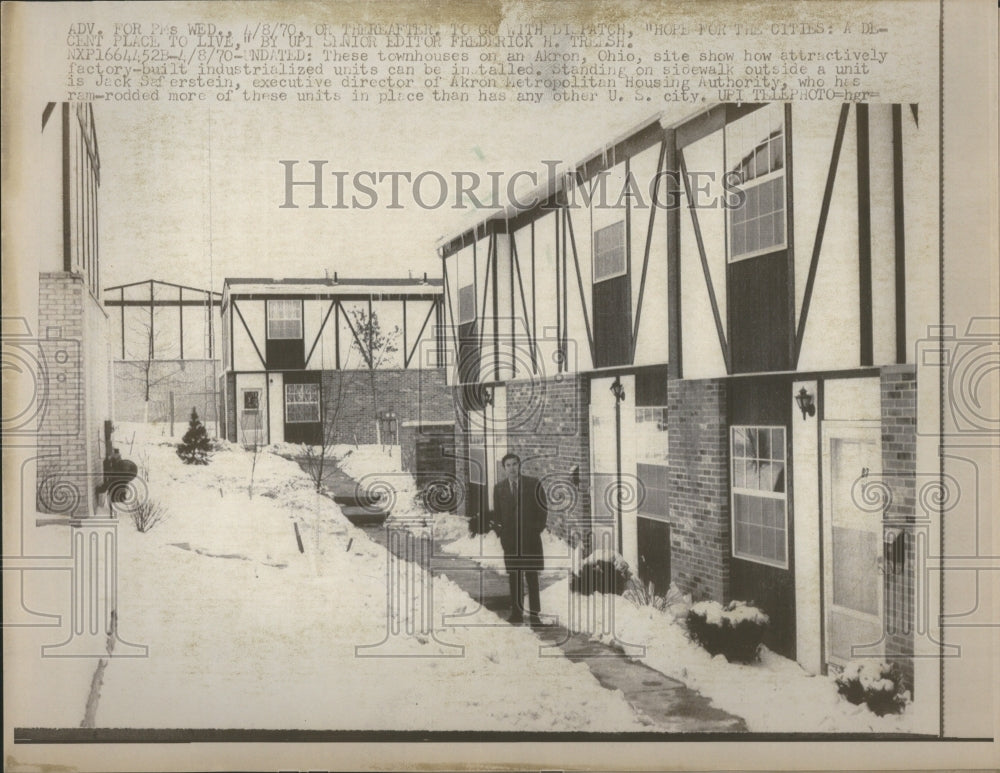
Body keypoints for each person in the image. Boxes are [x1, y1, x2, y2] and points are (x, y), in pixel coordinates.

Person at [490, 452, 548, 626]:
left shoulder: (532, 484)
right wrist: (501, 533)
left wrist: (537, 528)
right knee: (514, 577)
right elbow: (497, 515)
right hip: (511, 541)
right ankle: (516, 613)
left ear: (519, 465)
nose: (512, 468)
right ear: (504, 468)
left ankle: (535, 616)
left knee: (531, 578)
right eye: (508, 465)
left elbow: (542, 508)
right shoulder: (499, 488)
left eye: (515, 464)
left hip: (530, 540)